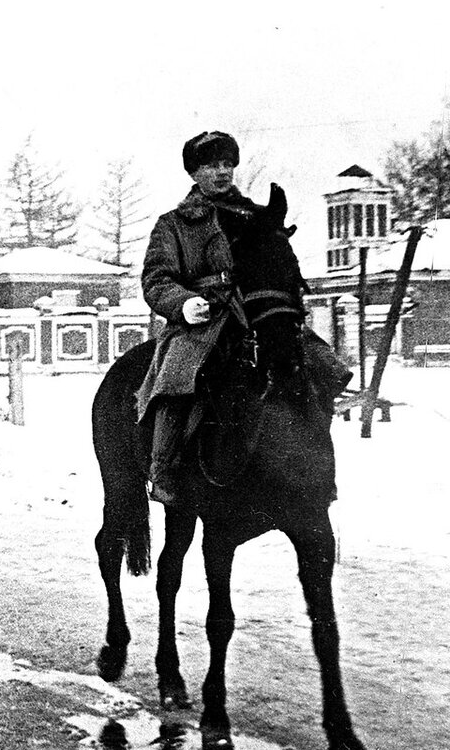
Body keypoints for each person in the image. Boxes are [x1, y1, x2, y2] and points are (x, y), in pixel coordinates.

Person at [135, 130, 353, 504]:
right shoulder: (174, 224)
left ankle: (317, 466)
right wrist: (185, 303)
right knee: (177, 376)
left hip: (254, 312)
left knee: (322, 364)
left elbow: (276, 262)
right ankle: (164, 468)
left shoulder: (256, 215)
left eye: (227, 164)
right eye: (210, 165)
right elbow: (157, 279)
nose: (221, 172)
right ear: (194, 173)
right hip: (202, 319)